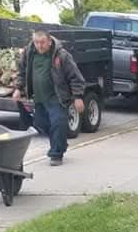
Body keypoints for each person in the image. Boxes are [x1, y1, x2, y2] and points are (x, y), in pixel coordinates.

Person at [12, 30, 85, 166]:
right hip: (38, 97)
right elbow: (22, 71)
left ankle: (56, 154)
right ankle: (60, 143)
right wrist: (18, 88)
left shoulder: (61, 55)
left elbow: (75, 77)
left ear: (49, 41)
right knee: (41, 124)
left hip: (57, 97)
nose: (39, 46)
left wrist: (78, 97)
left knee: (58, 123)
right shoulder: (29, 53)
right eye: (36, 42)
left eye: (42, 42)